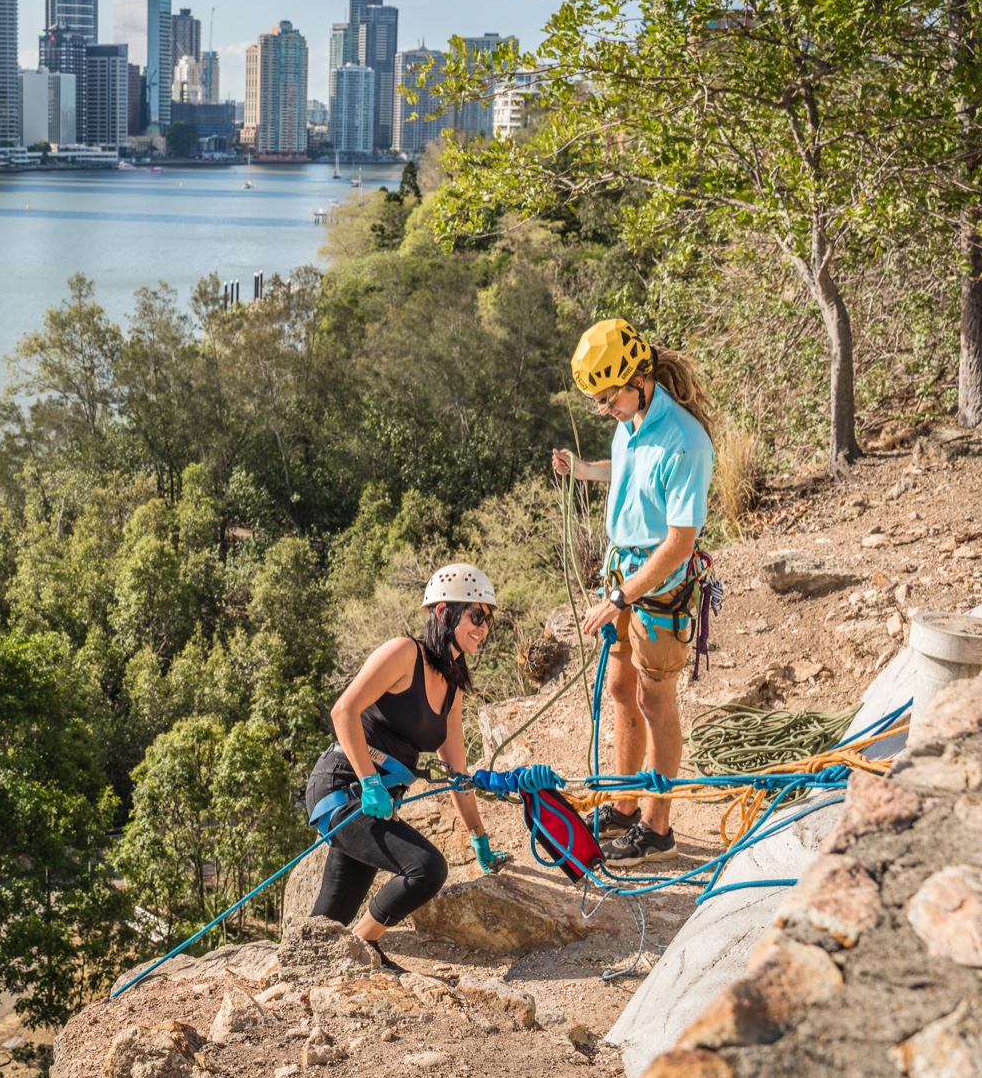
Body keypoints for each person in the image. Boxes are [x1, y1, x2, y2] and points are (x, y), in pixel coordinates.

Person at [552, 318, 716, 865]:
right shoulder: (633, 421)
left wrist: (623, 598)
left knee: (655, 700)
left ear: (638, 378)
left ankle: (657, 825)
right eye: (597, 400)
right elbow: (624, 470)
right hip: (622, 577)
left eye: (607, 397)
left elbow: (679, 543)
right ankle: (623, 805)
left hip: (658, 589)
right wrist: (582, 470)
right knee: (621, 690)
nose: (603, 409)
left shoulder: (685, 442)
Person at [302, 564, 509, 965]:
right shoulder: (403, 653)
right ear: (443, 612)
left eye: (488, 620)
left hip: (371, 804)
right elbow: (343, 711)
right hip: (342, 787)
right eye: (477, 615)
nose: (483, 628)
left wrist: (479, 839)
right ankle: (364, 950)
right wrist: (369, 782)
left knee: (326, 926)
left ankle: (317, 965)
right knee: (427, 869)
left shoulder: (451, 688)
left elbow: (457, 776)